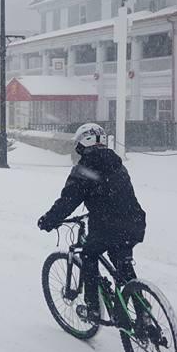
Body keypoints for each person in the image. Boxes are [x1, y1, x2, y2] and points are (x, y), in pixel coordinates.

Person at [37, 123, 146, 323]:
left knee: (88, 254)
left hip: (108, 226)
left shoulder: (84, 169)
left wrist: (50, 220)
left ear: (81, 144)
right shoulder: (117, 164)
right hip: (134, 222)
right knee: (123, 264)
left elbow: (68, 201)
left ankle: (93, 309)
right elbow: (114, 196)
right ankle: (142, 313)